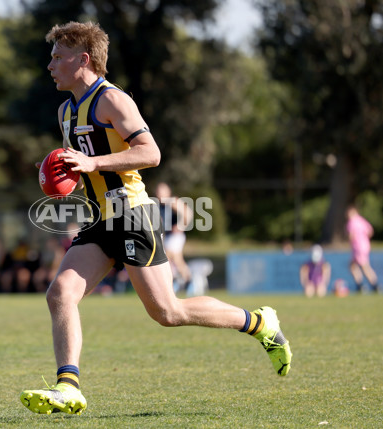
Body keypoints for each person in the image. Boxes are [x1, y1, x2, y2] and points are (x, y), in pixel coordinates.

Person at [20, 21, 292, 416]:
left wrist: (92, 161)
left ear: (83, 60)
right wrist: (69, 176)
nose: (50, 65)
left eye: (58, 57)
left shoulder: (113, 101)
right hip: (100, 219)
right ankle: (69, 387)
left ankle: (258, 322)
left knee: (168, 312)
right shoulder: (66, 110)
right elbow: (90, 167)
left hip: (132, 214)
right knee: (60, 293)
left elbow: (150, 153)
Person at [155, 182, 193, 293]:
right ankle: (186, 281)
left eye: (161, 190)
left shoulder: (172, 201)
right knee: (177, 260)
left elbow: (188, 213)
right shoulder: (159, 204)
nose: (159, 193)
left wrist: (181, 225)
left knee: (170, 257)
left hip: (176, 236)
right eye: (158, 190)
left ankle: (185, 281)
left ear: (168, 191)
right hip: (168, 236)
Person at [345, 205, 381, 293]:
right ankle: (361, 284)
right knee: (353, 265)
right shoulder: (361, 220)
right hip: (365, 246)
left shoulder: (352, 222)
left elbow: (351, 236)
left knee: (364, 267)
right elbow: (370, 231)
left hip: (358, 247)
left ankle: (373, 285)